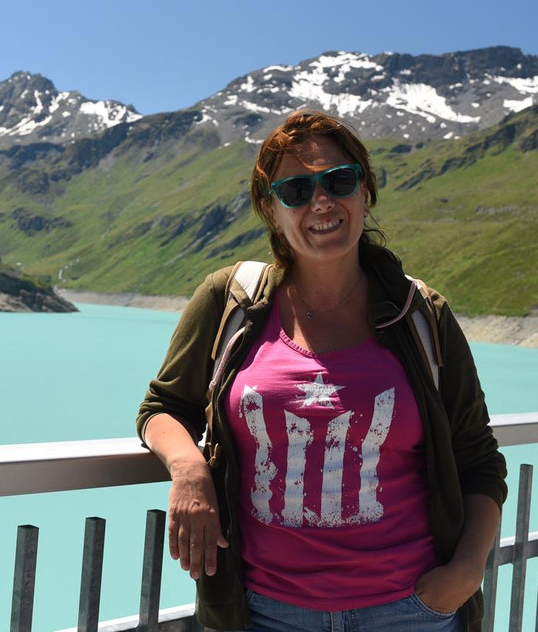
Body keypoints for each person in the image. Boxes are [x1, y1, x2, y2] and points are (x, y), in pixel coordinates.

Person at [137, 110, 507, 631]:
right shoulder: (232, 301)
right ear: (271, 208)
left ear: (365, 192)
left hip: (410, 611)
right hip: (264, 612)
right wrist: (189, 468)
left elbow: (477, 457)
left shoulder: (421, 315)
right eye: (296, 190)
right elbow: (163, 409)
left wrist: (465, 573)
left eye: (339, 180)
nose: (322, 201)